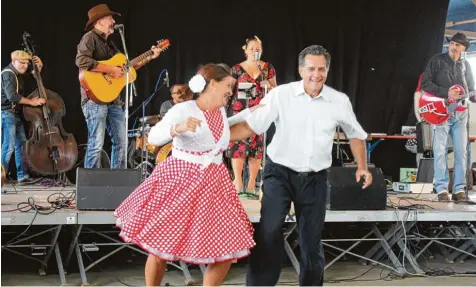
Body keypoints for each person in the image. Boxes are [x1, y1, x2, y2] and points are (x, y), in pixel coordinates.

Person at [230, 45, 372, 286]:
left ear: (327, 70)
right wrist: (217, 136)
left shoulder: (338, 100)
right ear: (300, 70)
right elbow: (251, 126)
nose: (315, 74)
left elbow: (355, 134)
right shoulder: (280, 95)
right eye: (310, 69)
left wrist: (362, 166)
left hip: (314, 178)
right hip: (280, 174)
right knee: (269, 232)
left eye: (321, 69)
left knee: (311, 239)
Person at [114, 63, 257, 286]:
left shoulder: (219, 111)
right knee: (161, 246)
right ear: (212, 84)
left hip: (215, 184)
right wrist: (177, 128)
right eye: (228, 85)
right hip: (181, 180)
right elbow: (153, 138)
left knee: (227, 247)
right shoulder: (184, 109)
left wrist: (259, 114)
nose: (231, 91)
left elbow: (223, 134)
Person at [76, 4, 162, 169]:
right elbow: (81, 61)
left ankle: (117, 181)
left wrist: (150, 56)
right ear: (100, 22)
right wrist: (109, 69)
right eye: (110, 18)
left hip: (113, 100)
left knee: (121, 142)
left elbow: (126, 68)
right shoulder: (89, 38)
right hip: (94, 98)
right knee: (96, 143)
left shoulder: (109, 44)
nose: (114, 21)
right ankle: (89, 185)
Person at [421, 32, 474, 201]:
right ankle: (441, 189)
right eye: (452, 43)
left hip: (461, 113)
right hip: (441, 111)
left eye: (458, 44)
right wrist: (447, 93)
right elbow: (425, 84)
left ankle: (459, 190)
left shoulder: (466, 65)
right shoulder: (437, 60)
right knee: (439, 150)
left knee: (461, 152)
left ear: (464, 48)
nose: (453, 46)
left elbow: (471, 91)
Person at [227, 36, 277, 197]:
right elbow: (228, 90)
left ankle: (251, 186)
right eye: (252, 48)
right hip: (240, 112)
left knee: (256, 149)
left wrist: (268, 86)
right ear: (246, 50)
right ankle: (238, 184)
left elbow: (275, 90)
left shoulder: (267, 68)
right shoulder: (237, 69)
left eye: (258, 49)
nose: (255, 51)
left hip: (260, 113)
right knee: (238, 148)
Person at [1, 50, 46, 185]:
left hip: (14, 113)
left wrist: (38, 69)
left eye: (27, 63)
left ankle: (22, 176)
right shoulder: (8, 74)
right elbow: (12, 96)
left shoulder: (17, 73)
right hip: (6, 113)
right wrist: (32, 102)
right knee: (8, 147)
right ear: (13, 61)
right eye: (22, 63)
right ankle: (1, 179)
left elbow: (32, 76)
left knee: (21, 145)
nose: (25, 66)